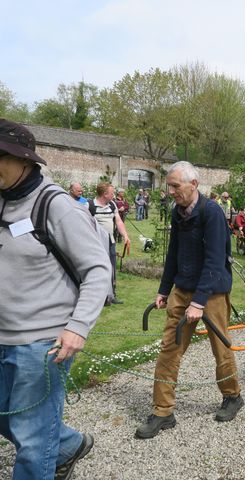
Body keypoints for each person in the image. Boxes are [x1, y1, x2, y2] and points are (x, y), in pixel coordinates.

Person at [0, 120, 111, 479]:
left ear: (24, 161)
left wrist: (77, 328)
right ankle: (67, 444)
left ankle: (50, 449)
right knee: (10, 420)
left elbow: (98, 270)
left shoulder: (56, 205)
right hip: (3, 333)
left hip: (41, 343)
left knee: (32, 442)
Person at [135, 161, 243, 439]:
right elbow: (174, 253)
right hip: (183, 290)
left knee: (220, 347)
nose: (170, 191)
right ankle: (162, 411)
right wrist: (163, 289)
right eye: (169, 185)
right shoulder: (177, 212)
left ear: (193, 184)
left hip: (213, 292)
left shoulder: (212, 213)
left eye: (175, 186)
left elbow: (215, 260)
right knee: (170, 348)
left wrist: (200, 301)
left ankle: (233, 396)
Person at [89, 182, 131, 305]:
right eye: (112, 193)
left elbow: (118, 221)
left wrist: (125, 235)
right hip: (95, 244)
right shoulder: (90, 205)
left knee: (111, 268)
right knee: (96, 270)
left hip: (110, 242)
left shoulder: (112, 205)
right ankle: (98, 297)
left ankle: (111, 295)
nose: (114, 195)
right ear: (104, 194)